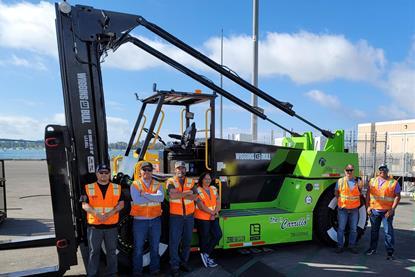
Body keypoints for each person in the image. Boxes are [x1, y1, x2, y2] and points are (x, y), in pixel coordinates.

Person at [81, 164, 125, 277]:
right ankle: (92, 274)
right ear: (97, 174)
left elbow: (121, 204)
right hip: (95, 227)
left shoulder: (117, 187)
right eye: (101, 172)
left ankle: (112, 273)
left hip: (111, 227)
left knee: (112, 252)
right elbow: (84, 205)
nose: (104, 175)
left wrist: (109, 214)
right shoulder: (88, 187)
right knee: (93, 252)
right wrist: (97, 215)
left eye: (106, 172)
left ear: (110, 174)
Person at [130, 162, 164, 276]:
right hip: (140, 222)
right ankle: (137, 272)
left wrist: (144, 194)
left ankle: (155, 270)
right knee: (138, 248)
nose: (147, 172)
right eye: (144, 169)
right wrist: (152, 197)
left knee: (155, 247)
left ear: (152, 171)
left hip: (155, 221)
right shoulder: (135, 184)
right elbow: (137, 200)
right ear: (140, 171)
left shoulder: (158, 184)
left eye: (149, 169)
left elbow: (161, 198)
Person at [167, 161, 198, 277]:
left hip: (189, 216)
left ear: (186, 170)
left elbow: (195, 196)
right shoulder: (170, 181)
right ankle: (174, 267)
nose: (180, 170)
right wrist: (187, 192)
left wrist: (181, 193)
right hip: (176, 216)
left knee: (187, 241)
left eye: (182, 168)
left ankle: (184, 263)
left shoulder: (191, 181)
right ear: (175, 170)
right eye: (178, 168)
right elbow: (173, 196)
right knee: (174, 242)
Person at [365, 164, 401, 260]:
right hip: (374, 211)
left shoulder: (393, 183)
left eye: (384, 170)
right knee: (374, 231)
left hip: (387, 212)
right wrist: (368, 206)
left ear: (387, 171)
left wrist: (392, 209)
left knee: (388, 232)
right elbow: (368, 194)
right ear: (378, 171)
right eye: (381, 170)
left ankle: (390, 252)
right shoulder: (372, 181)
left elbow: (397, 196)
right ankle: (372, 249)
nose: (382, 171)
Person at [194, 172, 222, 267]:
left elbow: (218, 201)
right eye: (206, 179)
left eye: (209, 179)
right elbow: (200, 206)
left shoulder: (213, 189)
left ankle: (205, 254)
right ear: (202, 180)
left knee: (218, 235)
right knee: (204, 237)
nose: (208, 180)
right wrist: (212, 213)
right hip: (202, 218)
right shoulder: (197, 190)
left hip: (213, 216)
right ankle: (206, 257)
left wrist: (214, 212)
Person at [334, 164, 363, 254]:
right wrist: (341, 202)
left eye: (351, 170)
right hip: (343, 209)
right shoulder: (340, 181)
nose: (349, 172)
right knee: (341, 228)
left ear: (353, 171)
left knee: (353, 229)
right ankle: (340, 246)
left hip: (354, 209)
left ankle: (352, 246)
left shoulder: (358, 181)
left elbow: (361, 191)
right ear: (344, 171)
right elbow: (336, 192)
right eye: (347, 170)